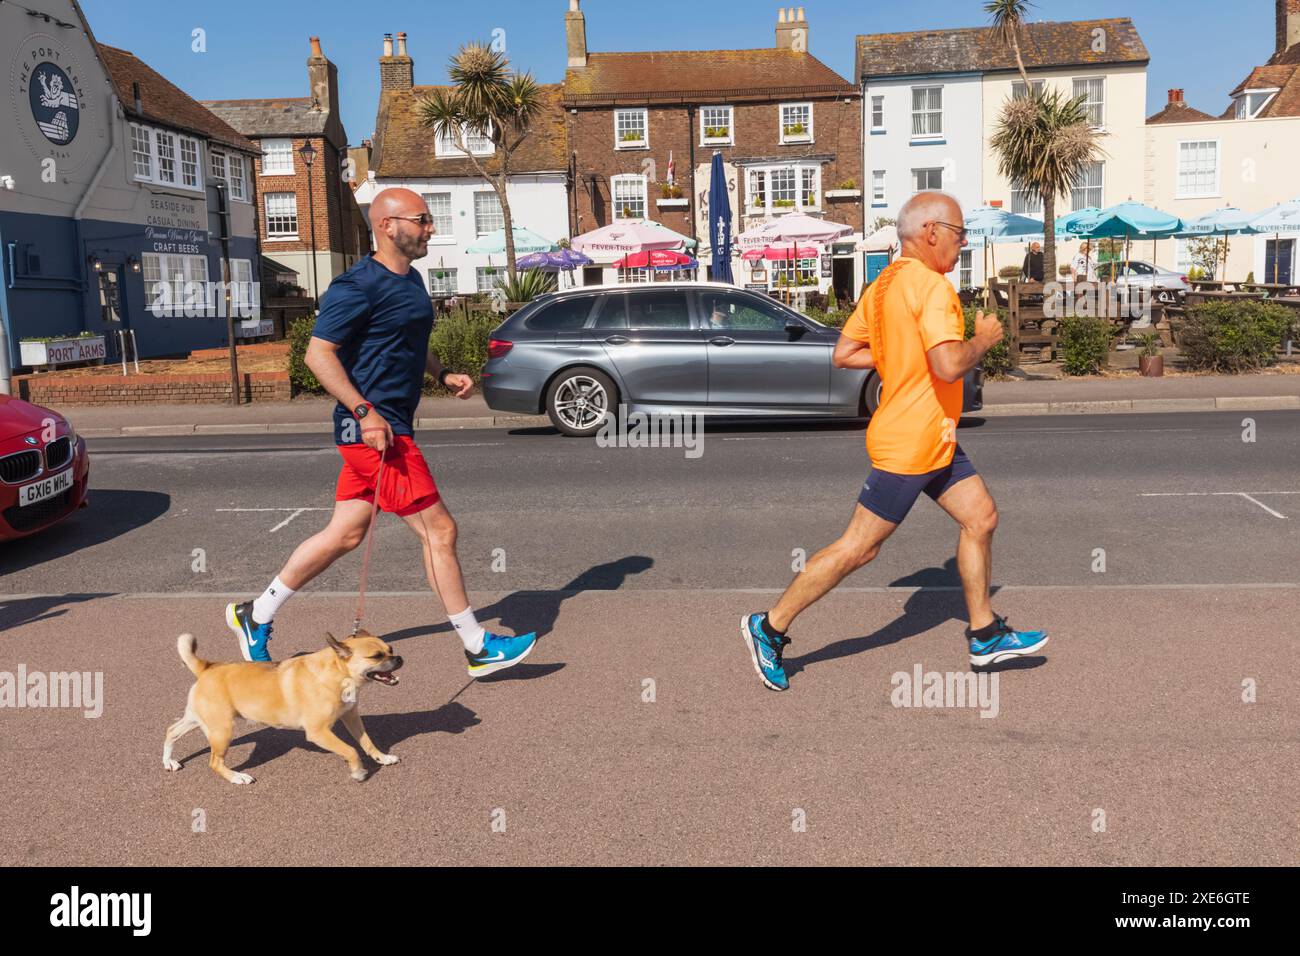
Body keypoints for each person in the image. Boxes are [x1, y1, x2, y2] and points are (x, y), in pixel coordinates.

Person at [741, 191, 1047, 691]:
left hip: (934, 435)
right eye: (958, 233)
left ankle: (985, 634)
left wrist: (899, 358)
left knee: (981, 517)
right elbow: (949, 363)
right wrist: (985, 339)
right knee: (859, 548)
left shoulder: (883, 285)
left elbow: (844, 353)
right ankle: (769, 626)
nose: (961, 243)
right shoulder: (932, 287)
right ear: (930, 233)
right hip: (911, 440)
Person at [226, 187, 538, 678]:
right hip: (375, 431)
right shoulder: (356, 286)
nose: (431, 227)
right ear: (388, 225)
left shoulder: (411, 280)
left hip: (381, 428)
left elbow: (408, 340)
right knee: (440, 531)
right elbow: (318, 355)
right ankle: (478, 647)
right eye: (423, 219)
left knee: (346, 534)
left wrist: (440, 373)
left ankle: (255, 614)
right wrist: (366, 411)